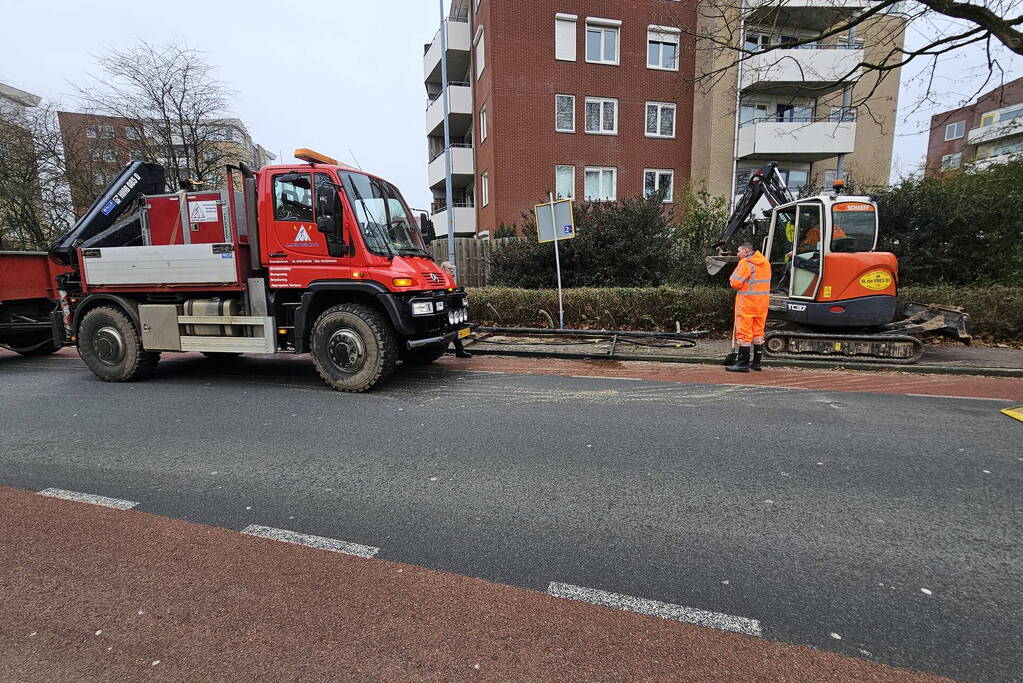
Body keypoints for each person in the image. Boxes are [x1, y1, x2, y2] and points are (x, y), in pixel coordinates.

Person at [726, 242, 772, 372]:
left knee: (744, 333)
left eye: (739, 251)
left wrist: (732, 280)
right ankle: (756, 363)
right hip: (762, 303)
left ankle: (742, 363)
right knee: (758, 333)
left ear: (746, 250)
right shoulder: (765, 262)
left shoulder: (745, 263)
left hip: (747, 303)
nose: (738, 253)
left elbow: (735, 283)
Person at [440, 261, 472, 358]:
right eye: (449, 269)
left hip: (453, 309)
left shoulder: (449, 278)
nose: (452, 270)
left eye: (452, 269)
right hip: (445, 309)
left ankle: (460, 350)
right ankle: (459, 350)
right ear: (443, 269)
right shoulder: (441, 279)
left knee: (456, 327)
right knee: (452, 329)